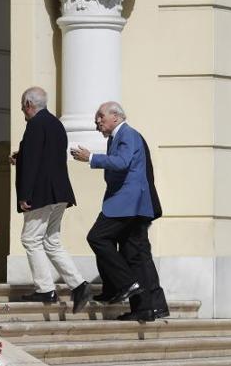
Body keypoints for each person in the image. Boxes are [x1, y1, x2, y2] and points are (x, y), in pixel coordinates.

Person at [71, 101, 168, 322]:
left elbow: (123, 162)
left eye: (100, 117)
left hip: (128, 203)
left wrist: (91, 158)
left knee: (97, 237)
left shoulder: (127, 134)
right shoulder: (117, 137)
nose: (97, 122)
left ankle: (123, 285)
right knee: (135, 255)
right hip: (128, 203)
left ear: (116, 116)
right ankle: (146, 308)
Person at [11, 86, 90, 314]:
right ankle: (79, 286)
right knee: (51, 240)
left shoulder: (35, 124)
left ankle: (45, 289)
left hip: (42, 193)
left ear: (28, 104)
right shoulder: (56, 124)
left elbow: (35, 160)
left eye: (22, 106)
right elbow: (45, 156)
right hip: (60, 192)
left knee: (30, 239)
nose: (22, 111)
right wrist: (21, 156)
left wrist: (25, 194)